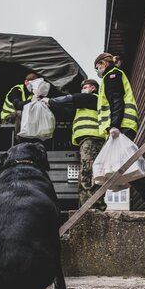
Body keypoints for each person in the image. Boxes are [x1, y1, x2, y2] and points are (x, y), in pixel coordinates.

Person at [94, 52, 145, 211]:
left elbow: (116, 100)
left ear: (104, 64)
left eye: (98, 67)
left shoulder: (111, 75)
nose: (97, 71)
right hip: (122, 125)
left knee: (127, 165)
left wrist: (114, 126)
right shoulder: (114, 75)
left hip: (121, 126)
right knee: (125, 165)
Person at [42, 79, 107, 211]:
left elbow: (73, 98)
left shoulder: (92, 98)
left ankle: (93, 206)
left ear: (93, 88)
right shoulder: (83, 106)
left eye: (85, 86)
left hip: (92, 139)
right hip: (87, 141)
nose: (83, 88)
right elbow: (67, 108)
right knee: (86, 174)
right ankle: (90, 206)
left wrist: (50, 100)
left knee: (89, 173)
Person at [0, 72, 38, 138]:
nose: (33, 86)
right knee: (20, 113)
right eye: (32, 84)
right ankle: (18, 139)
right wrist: (31, 101)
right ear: (26, 82)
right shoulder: (17, 89)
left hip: (22, 120)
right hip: (8, 118)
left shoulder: (33, 95)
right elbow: (18, 106)